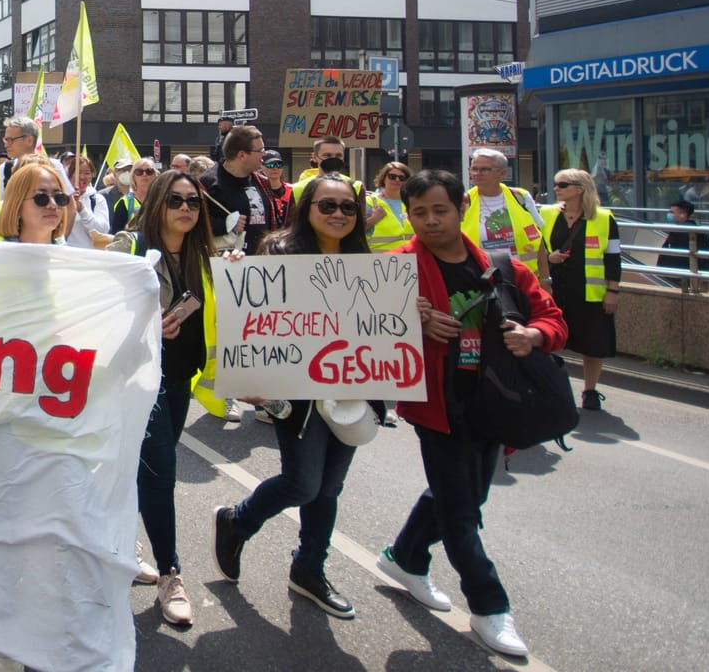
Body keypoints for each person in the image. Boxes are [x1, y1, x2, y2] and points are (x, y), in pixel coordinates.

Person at [376, 169, 567, 660]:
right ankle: (489, 607)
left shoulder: (503, 267)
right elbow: (369, 332)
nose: (429, 221)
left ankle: (405, 557)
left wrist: (534, 336)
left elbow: (552, 319)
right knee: (462, 514)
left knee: (459, 497)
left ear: (462, 209)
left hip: (495, 405)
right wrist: (408, 319)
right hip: (437, 408)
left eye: (440, 210)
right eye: (419, 213)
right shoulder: (396, 269)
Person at [213, 175, 380, 618]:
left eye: (348, 207)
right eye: (327, 206)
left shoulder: (367, 261)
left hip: (348, 389)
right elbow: (255, 315)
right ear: (306, 209)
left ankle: (309, 568)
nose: (339, 215)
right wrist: (235, 270)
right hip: (299, 395)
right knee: (304, 483)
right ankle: (238, 520)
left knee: (328, 488)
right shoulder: (278, 253)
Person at [132, 168, 232, 627]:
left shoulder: (209, 259)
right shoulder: (130, 254)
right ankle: (172, 573)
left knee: (146, 470)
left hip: (180, 380)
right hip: (140, 384)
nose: (187, 209)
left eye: (193, 201)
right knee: (160, 474)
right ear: (157, 204)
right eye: (175, 200)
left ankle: (119, 539)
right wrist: (147, 327)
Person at [542, 169, 621, 412]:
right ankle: (549, 389)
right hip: (554, 289)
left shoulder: (604, 218)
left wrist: (613, 292)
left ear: (580, 189)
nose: (557, 189)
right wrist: (548, 258)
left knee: (593, 345)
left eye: (563, 184)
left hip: (590, 293)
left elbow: (613, 258)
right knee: (547, 340)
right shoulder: (546, 214)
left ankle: (590, 391)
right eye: (556, 184)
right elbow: (533, 247)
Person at [462, 148, 547, 278]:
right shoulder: (464, 201)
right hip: (482, 277)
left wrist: (546, 278)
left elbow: (539, 241)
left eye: (485, 169)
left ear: (502, 173)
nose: (477, 173)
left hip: (524, 278)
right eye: (474, 169)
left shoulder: (521, 197)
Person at [200, 125, 271, 254]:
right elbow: (195, 222)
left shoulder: (261, 181)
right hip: (227, 265)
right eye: (261, 150)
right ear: (242, 155)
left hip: (261, 264)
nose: (264, 154)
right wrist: (226, 224)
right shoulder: (209, 183)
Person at [0, 115, 69, 189]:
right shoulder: (4, 169)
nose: (6, 144)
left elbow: (68, 199)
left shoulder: (53, 166)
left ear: (29, 140)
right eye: (5, 140)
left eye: (10, 140)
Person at [657, 200, 709, 276]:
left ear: (683, 215)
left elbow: (677, 258)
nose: (669, 215)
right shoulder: (694, 229)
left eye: (672, 212)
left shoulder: (682, 233)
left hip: (682, 275)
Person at [368, 160, 416, 252]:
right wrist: (373, 219)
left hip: (411, 259)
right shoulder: (370, 202)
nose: (397, 180)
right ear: (383, 178)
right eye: (392, 177)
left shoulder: (412, 202)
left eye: (402, 178)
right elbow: (355, 232)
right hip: (380, 261)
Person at [65, 154, 110, 249]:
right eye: (78, 172)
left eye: (87, 173)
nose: (82, 177)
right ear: (70, 175)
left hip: (90, 257)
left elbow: (102, 230)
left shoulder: (97, 199)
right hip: (65, 255)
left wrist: (82, 210)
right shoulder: (61, 198)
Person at [108, 159, 157, 234]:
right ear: (133, 176)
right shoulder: (124, 203)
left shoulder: (163, 201)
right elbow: (115, 235)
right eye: (139, 172)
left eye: (149, 171)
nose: (144, 174)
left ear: (155, 175)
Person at [262, 151, 294, 233]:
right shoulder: (259, 192)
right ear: (262, 167)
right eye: (270, 165)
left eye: (279, 164)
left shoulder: (292, 190)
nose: (275, 168)